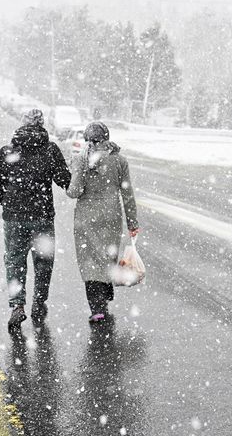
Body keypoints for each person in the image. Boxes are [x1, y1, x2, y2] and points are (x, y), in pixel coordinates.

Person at [0, 109, 71, 331]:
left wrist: (6, 201)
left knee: (14, 262)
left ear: (22, 125)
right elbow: (64, 180)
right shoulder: (50, 150)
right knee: (43, 262)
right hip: (42, 217)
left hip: (14, 218)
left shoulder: (8, 151)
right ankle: (39, 303)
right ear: (42, 125)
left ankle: (17, 306)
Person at [66, 121, 139, 323]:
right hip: (111, 215)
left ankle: (97, 308)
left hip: (86, 216)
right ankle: (105, 295)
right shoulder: (119, 160)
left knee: (90, 260)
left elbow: (74, 191)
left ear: (88, 139)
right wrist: (133, 222)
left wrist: (71, 179)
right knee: (107, 256)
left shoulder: (82, 159)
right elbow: (127, 193)